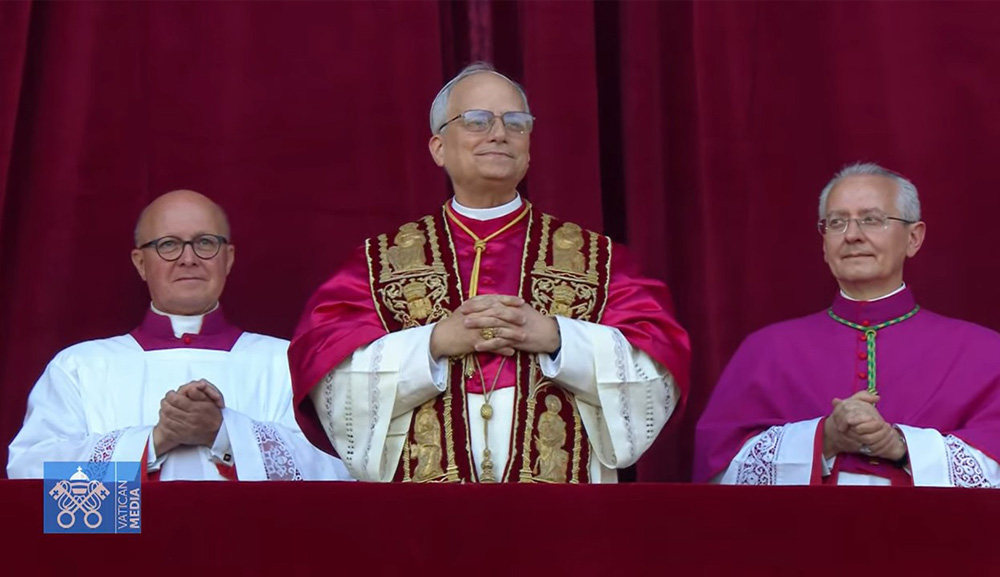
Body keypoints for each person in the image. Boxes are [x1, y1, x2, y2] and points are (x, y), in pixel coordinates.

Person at [289, 62, 690, 483]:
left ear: (530, 146)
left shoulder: (600, 260)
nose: (499, 133)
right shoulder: (377, 263)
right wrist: (433, 343)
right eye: (477, 121)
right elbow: (330, 379)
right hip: (422, 522)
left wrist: (557, 338)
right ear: (439, 147)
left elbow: (656, 373)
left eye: (516, 123)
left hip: (560, 515)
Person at [8, 190, 351, 481]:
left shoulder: (288, 363)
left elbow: (341, 471)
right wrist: (154, 442)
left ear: (228, 259)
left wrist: (226, 434)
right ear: (141, 263)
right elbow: (32, 479)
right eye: (168, 244)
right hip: (118, 558)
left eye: (205, 242)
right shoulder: (80, 367)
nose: (188, 259)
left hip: (250, 555)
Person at [694, 162, 1000, 486]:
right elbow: (717, 471)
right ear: (824, 244)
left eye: (872, 219)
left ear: (914, 238)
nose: (852, 235)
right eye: (837, 222)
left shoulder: (984, 352)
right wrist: (823, 438)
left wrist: (900, 446)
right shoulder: (765, 350)